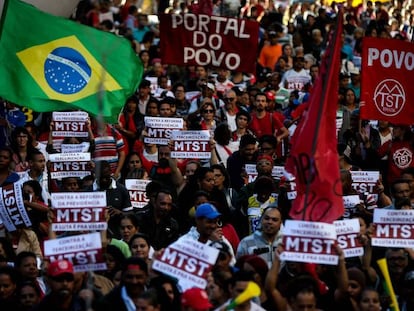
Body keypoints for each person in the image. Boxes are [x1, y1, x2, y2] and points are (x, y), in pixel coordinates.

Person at [91, 160, 132, 238]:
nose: (104, 180)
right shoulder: (87, 192)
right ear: (95, 175)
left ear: (110, 172)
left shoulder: (121, 189)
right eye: (100, 178)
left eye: (106, 177)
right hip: (94, 236)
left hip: (117, 235)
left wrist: (119, 213)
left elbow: (131, 215)